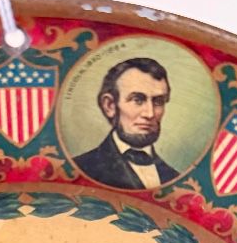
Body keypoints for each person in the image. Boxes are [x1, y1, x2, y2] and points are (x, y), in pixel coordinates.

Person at [73, 58, 179, 190]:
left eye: (158, 102)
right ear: (110, 105)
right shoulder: (80, 169)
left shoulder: (174, 177)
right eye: (137, 100)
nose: (150, 114)